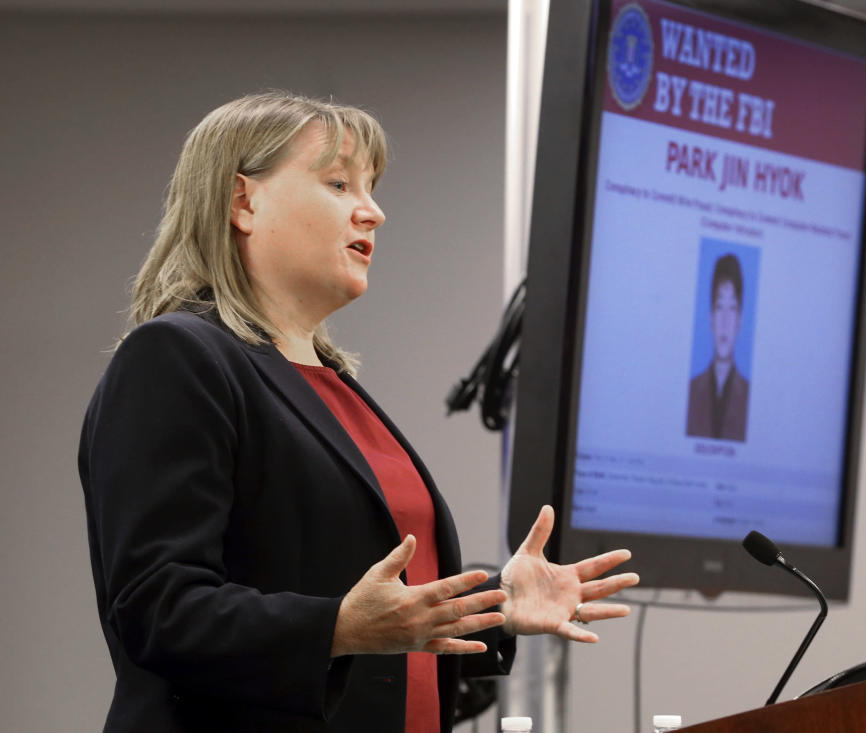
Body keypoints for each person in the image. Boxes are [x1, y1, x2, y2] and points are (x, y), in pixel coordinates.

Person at [78, 91, 639, 733]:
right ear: (242, 201)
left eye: (369, 189)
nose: (371, 211)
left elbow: (369, 610)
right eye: (339, 183)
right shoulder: (176, 357)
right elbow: (156, 609)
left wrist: (492, 607)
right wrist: (337, 627)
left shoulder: (332, 384)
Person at [686, 253, 750, 442]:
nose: (725, 321)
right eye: (719, 307)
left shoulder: (749, 397)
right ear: (710, 317)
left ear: (740, 320)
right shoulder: (690, 392)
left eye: (732, 309)